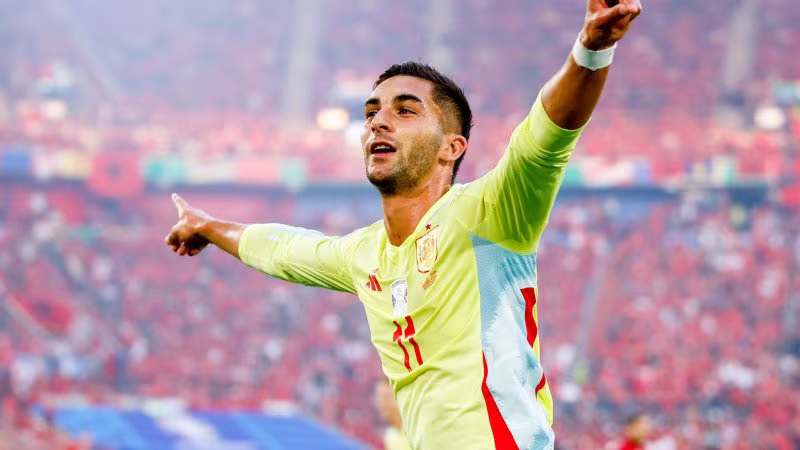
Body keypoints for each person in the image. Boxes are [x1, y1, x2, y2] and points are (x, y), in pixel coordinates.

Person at [166, 0, 641, 447]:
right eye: (371, 112)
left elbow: (544, 138)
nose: (378, 121)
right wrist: (208, 226)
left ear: (451, 147)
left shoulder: (489, 213)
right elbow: (283, 249)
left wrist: (592, 50)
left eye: (405, 110)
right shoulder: (363, 254)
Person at [374, 381, 412, 450]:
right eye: (380, 398)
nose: (382, 403)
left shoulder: (413, 427)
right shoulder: (389, 437)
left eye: (386, 397)